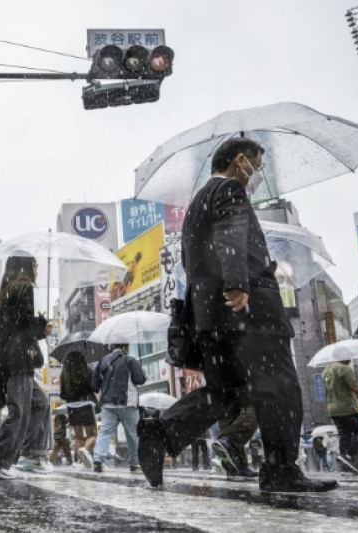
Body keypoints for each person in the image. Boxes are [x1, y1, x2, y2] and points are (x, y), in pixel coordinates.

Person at [137, 137, 338, 493]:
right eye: (256, 166)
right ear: (240, 161)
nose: (256, 174)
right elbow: (230, 231)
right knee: (279, 385)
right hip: (248, 310)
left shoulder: (197, 203)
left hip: (210, 316)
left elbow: (192, 261)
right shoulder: (230, 190)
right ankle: (280, 469)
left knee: (225, 389)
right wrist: (236, 282)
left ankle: (162, 433)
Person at [0, 256, 51, 480]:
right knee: (20, 411)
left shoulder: (9, 291)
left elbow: (16, 324)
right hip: (18, 360)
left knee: (40, 403)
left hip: (11, 359)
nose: (37, 269)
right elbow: (24, 324)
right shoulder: (23, 288)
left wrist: (37, 325)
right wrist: (42, 326)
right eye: (35, 266)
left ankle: (31, 454)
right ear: (26, 268)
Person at [91, 344, 145, 474]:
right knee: (133, 434)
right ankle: (134, 463)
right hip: (127, 403)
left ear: (113, 346)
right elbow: (139, 380)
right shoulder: (130, 360)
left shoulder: (103, 361)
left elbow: (94, 385)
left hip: (108, 404)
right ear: (125, 347)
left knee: (105, 432)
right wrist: (143, 373)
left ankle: (98, 460)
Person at [323, 358, 358, 475]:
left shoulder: (326, 371)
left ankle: (345, 466)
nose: (350, 360)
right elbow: (355, 387)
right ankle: (348, 456)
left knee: (345, 436)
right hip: (348, 408)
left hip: (333, 410)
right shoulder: (345, 369)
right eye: (349, 357)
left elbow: (330, 390)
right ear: (343, 356)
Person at [59, 351, 98, 470]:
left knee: (78, 437)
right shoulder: (88, 371)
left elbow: (63, 394)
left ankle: (79, 463)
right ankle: (85, 450)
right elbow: (94, 387)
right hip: (87, 404)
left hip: (72, 406)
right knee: (92, 435)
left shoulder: (64, 374)